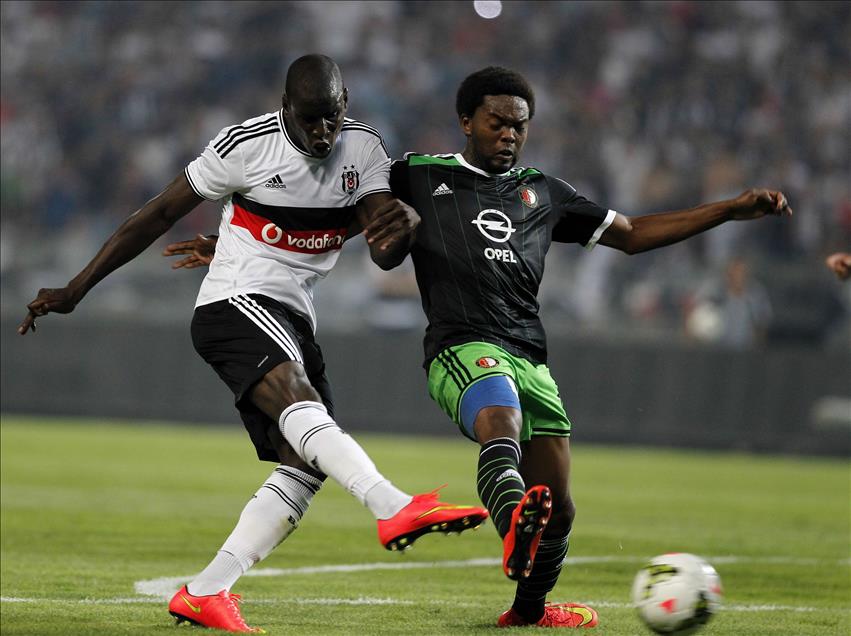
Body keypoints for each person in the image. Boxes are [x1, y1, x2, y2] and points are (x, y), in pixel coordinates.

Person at [168, 66, 792, 630]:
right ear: (467, 121)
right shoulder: (419, 174)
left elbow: (630, 234)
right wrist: (247, 244)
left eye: (520, 125)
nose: (509, 134)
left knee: (561, 507)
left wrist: (729, 210)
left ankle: (528, 610)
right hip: (461, 346)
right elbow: (347, 205)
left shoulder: (545, 193)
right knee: (501, 421)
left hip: (530, 356)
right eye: (497, 122)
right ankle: (511, 519)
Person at [17, 54, 487, 633]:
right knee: (300, 403)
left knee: (304, 465)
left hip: (294, 314)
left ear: (345, 106)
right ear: (285, 106)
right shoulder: (244, 145)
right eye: (308, 119)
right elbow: (157, 215)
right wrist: (76, 289)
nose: (321, 133)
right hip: (234, 302)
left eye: (330, 118)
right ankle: (392, 505)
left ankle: (205, 591)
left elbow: (382, 248)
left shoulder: (364, 147)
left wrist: (404, 226)